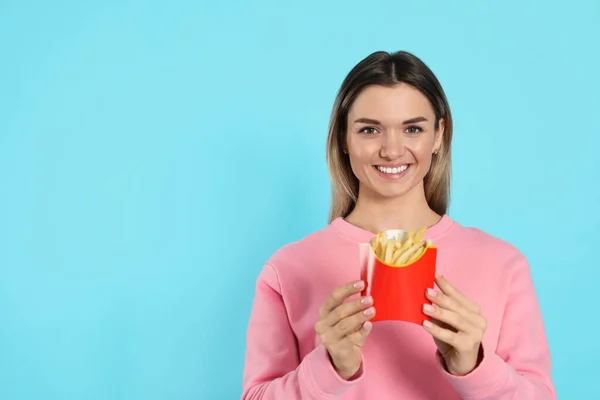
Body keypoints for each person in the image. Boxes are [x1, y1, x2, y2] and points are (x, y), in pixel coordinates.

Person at [240, 50, 556, 399]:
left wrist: (473, 366)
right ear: (344, 138)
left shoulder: (503, 265)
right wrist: (330, 367)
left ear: (438, 135)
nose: (392, 150)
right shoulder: (288, 269)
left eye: (413, 128)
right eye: (370, 129)